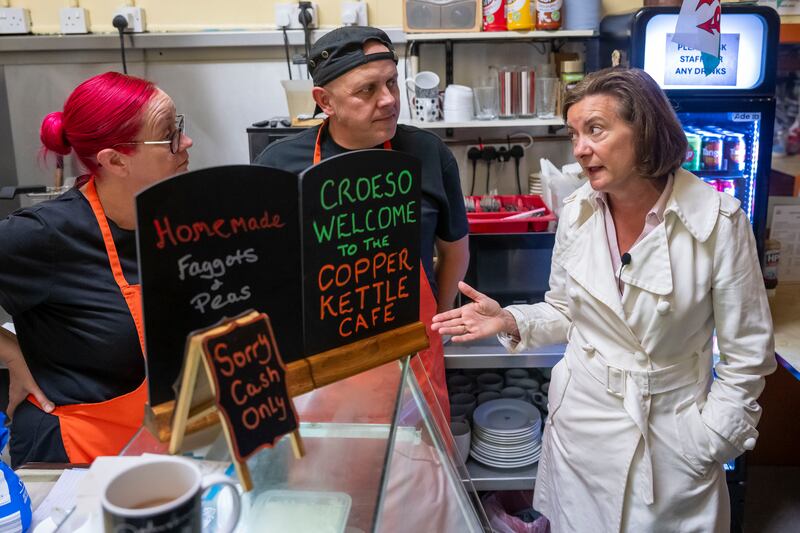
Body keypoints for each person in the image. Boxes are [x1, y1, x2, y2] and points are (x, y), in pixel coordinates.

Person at [432, 67, 775, 532]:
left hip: (670, 439)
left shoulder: (718, 222)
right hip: (582, 428)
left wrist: (711, 438)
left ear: (647, 131)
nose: (579, 149)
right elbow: (565, 311)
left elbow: (747, 356)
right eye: (573, 134)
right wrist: (508, 319)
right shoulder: (577, 212)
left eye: (595, 129)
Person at [256, 26, 469, 418]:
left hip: (411, 354)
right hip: (321, 362)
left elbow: (454, 250)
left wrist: (435, 320)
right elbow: (267, 276)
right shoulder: (278, 165)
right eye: (367, 90)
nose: (388, 100)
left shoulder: (427, 152)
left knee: (416, 468)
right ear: (325, 101)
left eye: (391, 82)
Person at [0, 72, 192, 466]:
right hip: (75, 461)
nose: (185, 142)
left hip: (158, 447)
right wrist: (11, 355)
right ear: (115, 160)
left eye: (180, 127)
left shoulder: (171, 216)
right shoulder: (46, 235)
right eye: (169, 134)